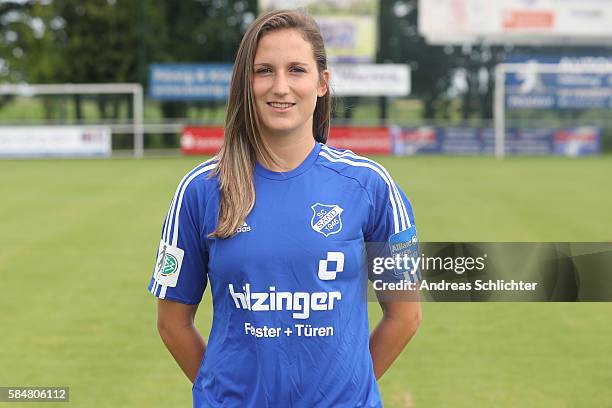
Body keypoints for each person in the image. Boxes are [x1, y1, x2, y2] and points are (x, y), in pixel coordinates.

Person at [148, 8, 421, 407]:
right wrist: (226, 395)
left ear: (322, 82)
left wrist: (346, 389)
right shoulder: (201, 190)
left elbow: (405, 316)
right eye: (263, 71)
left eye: (296, 70)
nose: (280, 87)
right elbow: (172, 324)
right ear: (246, 82)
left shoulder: (372, 187)